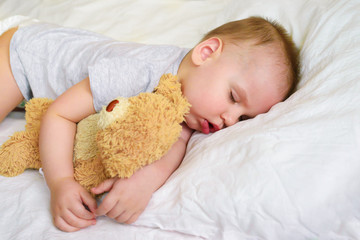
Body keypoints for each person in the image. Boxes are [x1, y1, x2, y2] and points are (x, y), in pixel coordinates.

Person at [0, 16, 299, 232]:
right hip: (23, 57)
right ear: (205, 53)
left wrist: (144, 180)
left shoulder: (192, 100)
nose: (230, 120)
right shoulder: (138, 72)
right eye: (233, 97)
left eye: (244, 118)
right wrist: (60, 181)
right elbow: (59, 115)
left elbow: (178, 139)